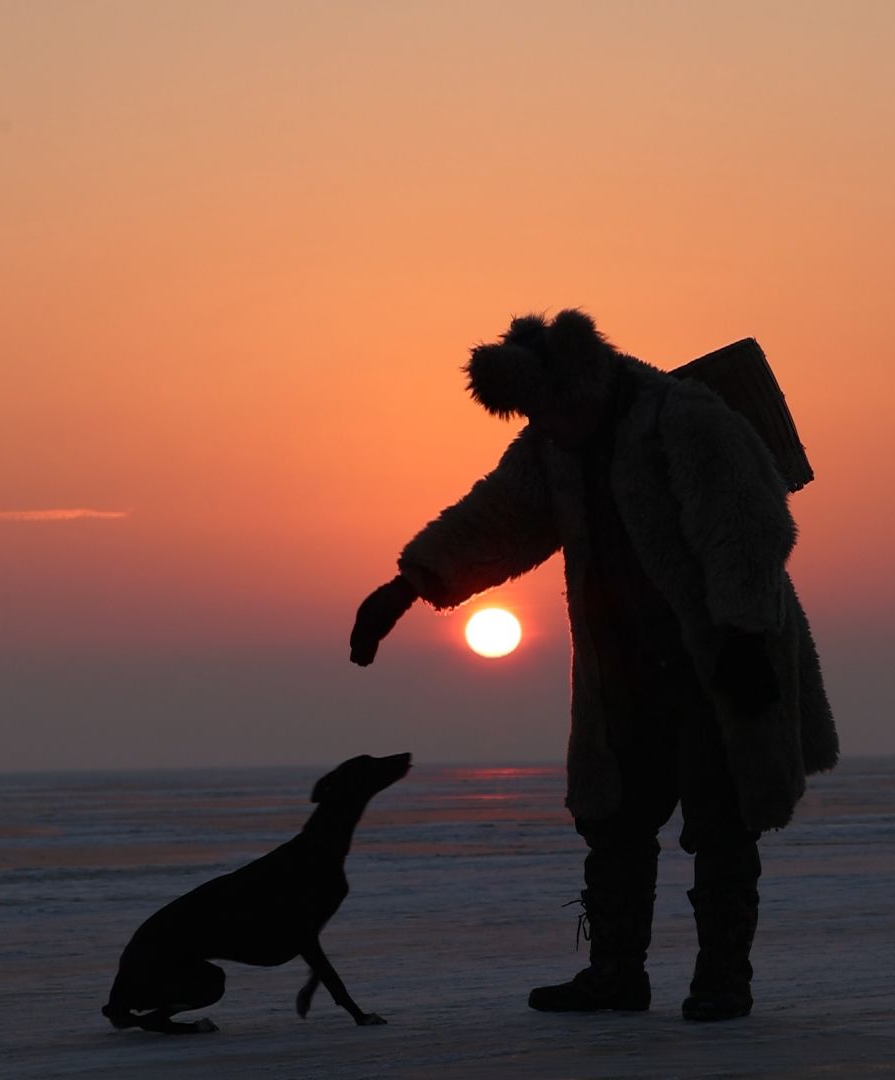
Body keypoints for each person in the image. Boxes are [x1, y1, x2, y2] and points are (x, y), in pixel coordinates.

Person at [349, 309, 836, 1021]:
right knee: (613, 821)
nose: (540, 423)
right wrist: (409, 584)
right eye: (531, 413)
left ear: (580, 383)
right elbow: (498, 518)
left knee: (721, 820)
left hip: (718, 660)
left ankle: (722, 979)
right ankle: (615, 973)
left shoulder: (686, 419)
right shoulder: (553, 446)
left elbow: (748, 527)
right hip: (625, 669)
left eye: (546, 408)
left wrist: (742, 634)